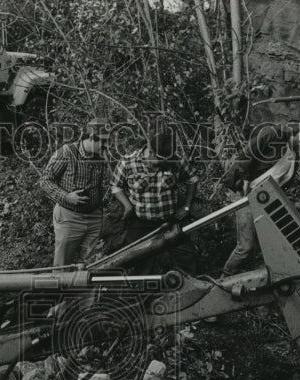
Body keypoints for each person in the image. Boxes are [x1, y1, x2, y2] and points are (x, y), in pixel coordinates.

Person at [221, 118, 300, 276]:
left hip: (266, 200)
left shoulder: (294, 156)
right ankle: (225, 277)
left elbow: (281, 181)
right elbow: (248, 153)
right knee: (245, 247)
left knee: (271, 244)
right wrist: (242, 181)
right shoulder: (275, 136)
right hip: (246, 194)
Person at [111, 127, 199, 275]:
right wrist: (127, 206)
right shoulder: (128, 162)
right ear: (150, 151)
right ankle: (145, 296)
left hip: (171, 221)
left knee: (188, 261)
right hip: (141, 224)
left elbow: (193, 178)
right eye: (160, 160)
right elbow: (115, 185)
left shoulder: (175, 160)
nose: (165, 163)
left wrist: (186, 207)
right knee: (142, 267)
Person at [38, 117, 112, 266]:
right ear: (91, 137)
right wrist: (66, 196)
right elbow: (45, 180)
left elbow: (106, 184)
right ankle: (61, 289)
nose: (106, 146)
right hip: (69, 217)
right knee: (63, 265)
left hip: (94, 218)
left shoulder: (101, 157)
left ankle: (84, 290)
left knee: (91, 266)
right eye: (103, 141)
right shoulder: (67, 152)